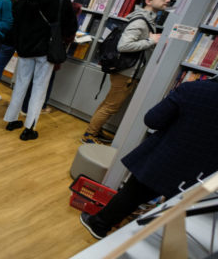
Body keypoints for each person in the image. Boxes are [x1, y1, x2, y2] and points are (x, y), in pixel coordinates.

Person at [80, 77, 218, 239]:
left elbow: (152, 120)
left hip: (165, 159)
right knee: (177, 213)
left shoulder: (193, 89)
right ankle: (147, 240)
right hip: (204, 175)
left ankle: (99, 225)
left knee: (131, 195)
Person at [82, 0, 167, 144]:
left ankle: (95, 130)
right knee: (111, 106)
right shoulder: (141, 22)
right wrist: (151, 41)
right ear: (148, 1)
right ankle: (89, 135)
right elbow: (123, 46)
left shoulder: (145, 19)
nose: (167, 0)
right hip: (127, 73)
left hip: (128, 71)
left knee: (108, 103)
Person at [3, 0, 77, 141]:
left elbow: (16, 26)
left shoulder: (25, 1)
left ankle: (12, 119)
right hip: (47, 51)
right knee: (39, 89)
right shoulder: (61, 2)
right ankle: (29, 128)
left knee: (20, 84)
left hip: (25, 49)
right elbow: (70, 28)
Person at [21, 0, 82, 113]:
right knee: (45, 80)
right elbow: (69, 32)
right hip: (52, 49)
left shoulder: (46, 2)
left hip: (34, 45)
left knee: (31, 78)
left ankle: (24, 106)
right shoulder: (72, 8)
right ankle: (36, 107)